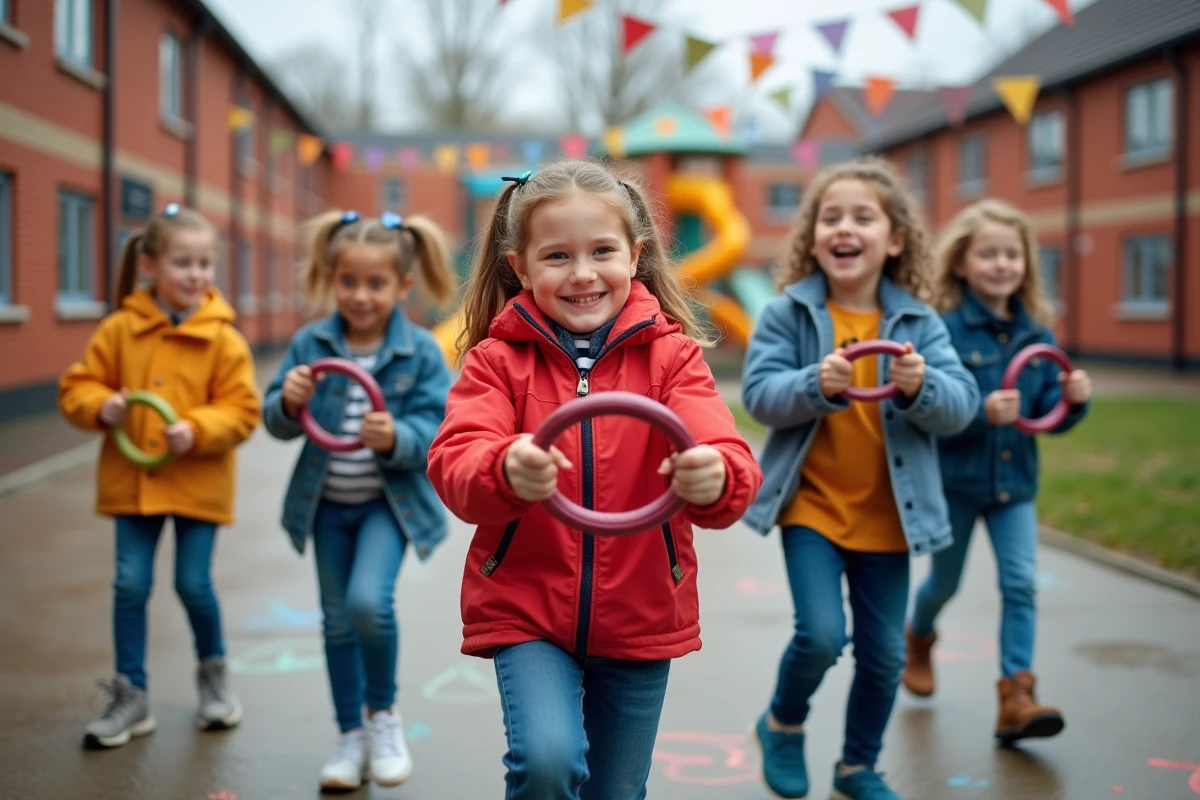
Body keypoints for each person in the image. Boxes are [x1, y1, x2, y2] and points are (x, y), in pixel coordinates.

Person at [427, 161, 762, 800]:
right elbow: (456, 462)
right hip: (527, 611)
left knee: (617, 792)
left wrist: (713, 474)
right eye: (556, 256)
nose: (582, 273)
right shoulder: (496, 363)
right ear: (520, 268)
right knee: (547, 762)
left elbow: (727, 453)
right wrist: (504, 468)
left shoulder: (674, 357)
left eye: (601, 251)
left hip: (640, 614)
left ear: (634, 256)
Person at [740, 157, 980, 800]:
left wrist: (923, 386)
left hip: (891, 517)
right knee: (821, 635)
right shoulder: (787, 314)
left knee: (883, 656)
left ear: (896, 239)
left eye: (863, 217)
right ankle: (782, 723)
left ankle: (856, 767)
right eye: (831, 216)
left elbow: (963, 407)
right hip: (812, 510)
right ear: (813, 237)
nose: (844, 228)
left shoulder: (921, 324)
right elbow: (760, 396)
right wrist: (813, 384)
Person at [262, 209, 456, 790]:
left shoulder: (420, 352)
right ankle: (349, 735)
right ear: (331, 278)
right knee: (337, 621)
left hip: (384, 506)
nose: (361, 296)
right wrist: (289, 400)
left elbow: (437, 428)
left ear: (402, 286)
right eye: (348, 282)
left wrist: (398, 436)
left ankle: (383, 717)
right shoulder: (311, 343)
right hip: (327, 507)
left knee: (369, 605)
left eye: (376, 284)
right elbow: (275, 421)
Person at [59, 203, 260, 749]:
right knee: (130, 585)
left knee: (193, 585)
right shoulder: (120, 329)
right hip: (134, 485)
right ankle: (132, 695)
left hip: (198, 484)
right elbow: (77, 387)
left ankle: (214, 680)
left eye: (204, 264)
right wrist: (103, 406)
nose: (196, 275)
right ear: (149, 266)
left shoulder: (223, 338)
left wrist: (195, 429)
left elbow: (243, 410)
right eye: (183, 263)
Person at [902, 199, 1091, 746]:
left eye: (1013, 254)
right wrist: (980, 412)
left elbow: (1050, 411)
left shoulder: (1039, 336)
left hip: (1015, 490)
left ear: (1026, 265)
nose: (1003, 264)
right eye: (989, 254)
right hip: (956, 486)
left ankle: (1016, 695)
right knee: (944, 582)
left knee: (1021, 584)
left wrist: (1073, 400)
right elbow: (929, 412)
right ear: (961, 263)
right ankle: (920, 634)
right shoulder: (944, 331)